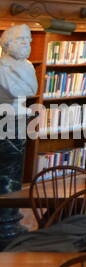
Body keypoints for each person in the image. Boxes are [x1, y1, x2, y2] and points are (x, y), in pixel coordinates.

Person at [0, 25, 38, 243]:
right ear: (7, 43)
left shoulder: (29, 66)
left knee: (11, 170)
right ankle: (5, 225)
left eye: (29, 40)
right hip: (6, 115)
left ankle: (9, 222)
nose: (27, 43)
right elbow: (13, 90)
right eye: (22, 39)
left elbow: (29, 89)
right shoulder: (1, 66)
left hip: (18, 114)